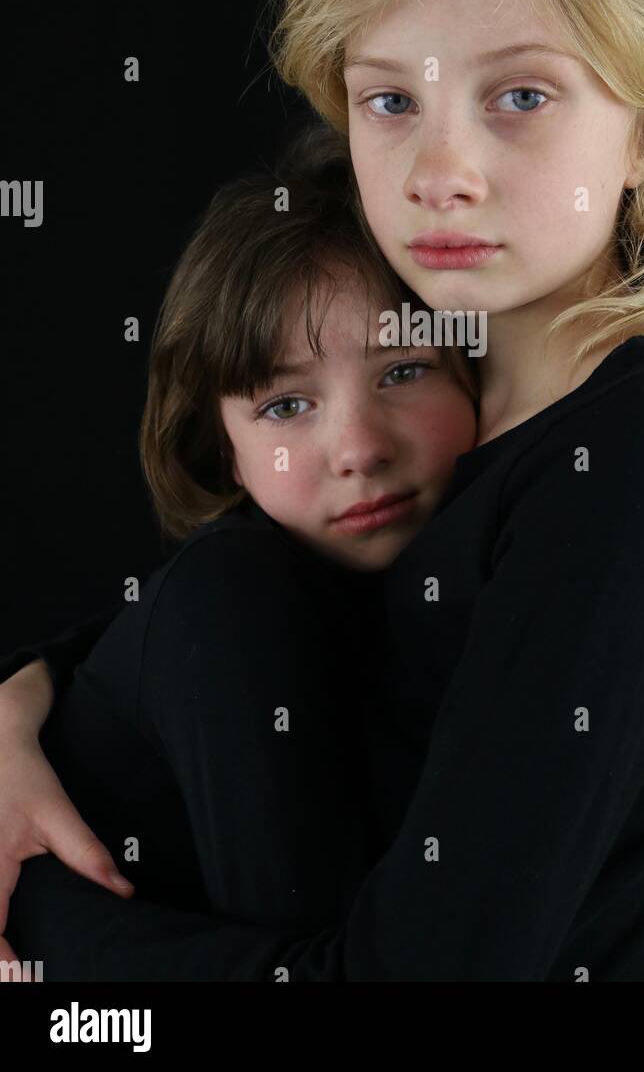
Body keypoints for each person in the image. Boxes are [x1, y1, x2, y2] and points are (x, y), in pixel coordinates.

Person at [0, 0, 644, 981]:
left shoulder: (641, 447)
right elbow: (230, 597)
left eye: (519, 96)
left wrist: (40, 914)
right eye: (391, 101)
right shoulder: (444, 370)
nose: (439, 173)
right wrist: (20, 699)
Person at [0, 140, 478, 977]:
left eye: (404, 369)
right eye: (286, 405)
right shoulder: (234, 596)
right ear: (224, 452)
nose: (358, 449)